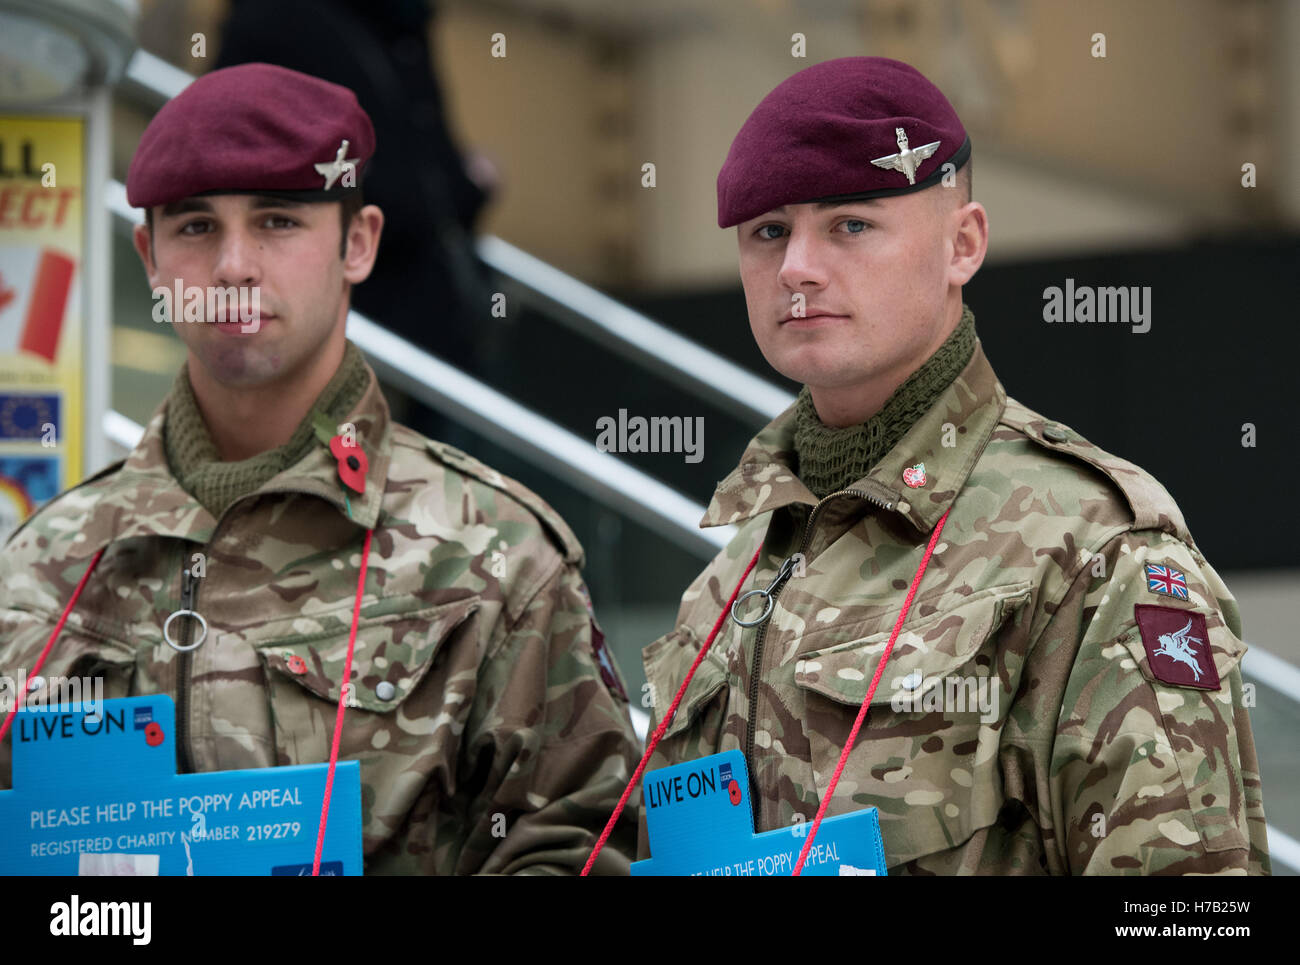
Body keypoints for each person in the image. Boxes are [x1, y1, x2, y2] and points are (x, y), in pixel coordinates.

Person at [632, 57, 1269, 875]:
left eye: (850, 224)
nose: (796, 267)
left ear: (962, 244)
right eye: (768, 232)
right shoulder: (737, 571)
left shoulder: (1092, 549)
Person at [0, 63, 640, 875]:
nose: (233, 266)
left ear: (358, 243)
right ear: (149, 259)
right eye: (195, 227)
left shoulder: (492, 554)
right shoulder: (43, 569)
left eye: (276, 220)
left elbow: (580, 844)